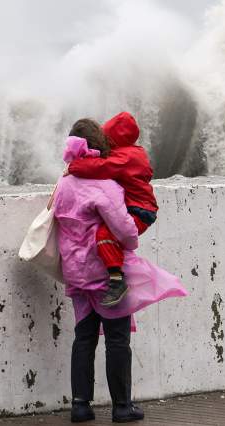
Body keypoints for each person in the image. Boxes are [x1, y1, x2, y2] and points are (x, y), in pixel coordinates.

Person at [53, 119, 187, 423]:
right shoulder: (105, 186)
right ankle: (122, 407)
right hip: (104, 274)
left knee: (84, 338)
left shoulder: (63, 181)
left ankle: (80, 405)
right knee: (116, 339)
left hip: (75, 271)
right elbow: (127, 233)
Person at [67, 112, 157, 308]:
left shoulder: (126, 158)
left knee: (105, 234)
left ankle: (117, 280)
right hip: (138, 207)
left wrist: (75, 166)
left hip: (139, 210)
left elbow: (102, 166)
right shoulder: (132, 152)